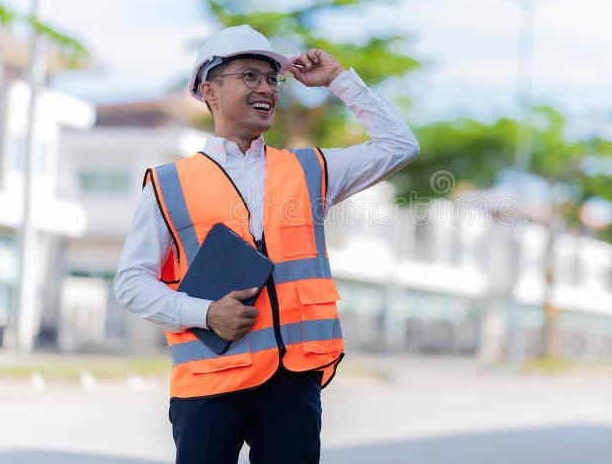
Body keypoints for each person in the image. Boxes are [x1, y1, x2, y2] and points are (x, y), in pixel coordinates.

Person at [113, 24, 419, 463]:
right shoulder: (168, 184)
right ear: (209, 91)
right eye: (250, 76)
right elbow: (131, 283)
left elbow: (400, 145)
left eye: (272, 79)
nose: (266, 89)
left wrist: (339, 80)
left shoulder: (311, 169)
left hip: (291, 384)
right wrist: (205, 313)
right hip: (209, 384)